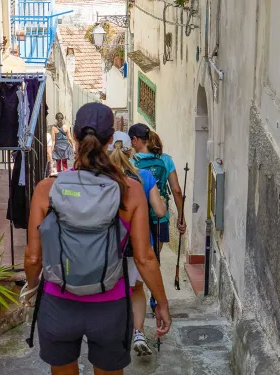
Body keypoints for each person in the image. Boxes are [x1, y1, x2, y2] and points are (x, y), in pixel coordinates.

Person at [24, 103, 172, 375]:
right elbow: (144, 257)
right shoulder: (130, 191)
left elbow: (34, 257)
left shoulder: (47, 189)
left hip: (58, 303)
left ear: (75, 139)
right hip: (110, 306)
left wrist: (33, 290)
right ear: (109, 141)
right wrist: (161, 303)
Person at [108, 131, 167, 357]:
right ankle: (139, 333)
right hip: (139, 245)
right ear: (130, 151)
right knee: (137, 289)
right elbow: (160, 211)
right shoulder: (143, 176)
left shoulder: (103, 178)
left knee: (112, 289)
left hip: (110, 246)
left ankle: (112, 334)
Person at [128, 123, 187, 254]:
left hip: (139, 216)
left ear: (136, 140)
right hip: (160, 215)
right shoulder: (166, 160)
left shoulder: (131, 163)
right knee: (155, 258)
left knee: (140, 258)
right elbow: (176, 190)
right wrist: (181, 216)